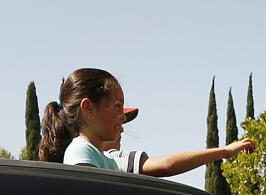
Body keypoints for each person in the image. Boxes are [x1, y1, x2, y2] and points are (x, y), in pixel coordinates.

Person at [36, 68, 252, 176]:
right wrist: (223, 151)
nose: (122, 117)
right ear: (88, 108)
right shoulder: (81, 153)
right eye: (117, 106)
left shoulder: (106, 160)